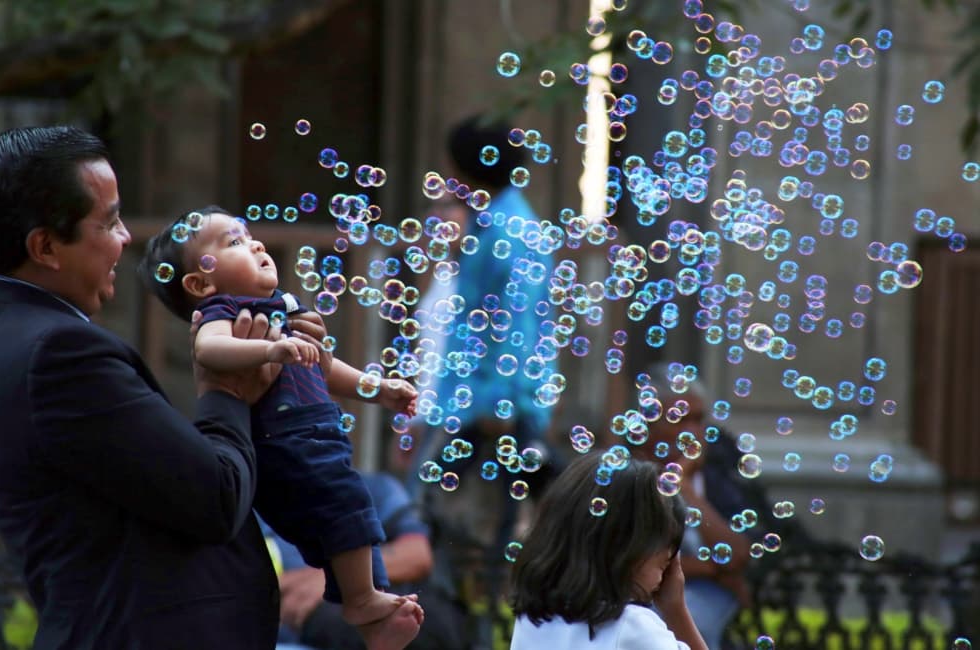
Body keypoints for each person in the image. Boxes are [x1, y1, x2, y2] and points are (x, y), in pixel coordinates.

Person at [0, 125, 322, 648]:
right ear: (45, 246)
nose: (125, 238)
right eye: (110, 220)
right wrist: (226, 388)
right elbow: (215, 498)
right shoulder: (58, 353)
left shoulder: (4, 330)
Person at [139, 207, 424, 650]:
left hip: (317, 440)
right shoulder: (222, 310)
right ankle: (363, 602)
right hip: (283, 443)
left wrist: (376, 388)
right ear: (201, 283)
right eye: (233, 242)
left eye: (250, 236)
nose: (254, 245)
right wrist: (269, 352)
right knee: (345, 507)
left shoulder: (287, 310)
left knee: (353, 521)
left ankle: (372, 615)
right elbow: (211, 350)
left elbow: (327, 368)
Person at [405, 114, 559, 553]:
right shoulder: (494, 223)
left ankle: (446, 616)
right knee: (435, 516)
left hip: (490, 405)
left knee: (438, 516)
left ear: (466, 169)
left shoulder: (508, 232)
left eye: (451, 166)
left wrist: (503, 403)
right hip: (469, 396)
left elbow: (517, 324)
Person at [629, 363, 791, 650]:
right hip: (640, 594)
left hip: (703, 593)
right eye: (682, 420)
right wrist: (711, 568)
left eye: (699, 420)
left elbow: (737, 554)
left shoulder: (718, 477)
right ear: (648, 425)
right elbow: (631, 563)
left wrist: (684, 487)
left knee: (693, 619)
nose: (694, 432)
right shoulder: (626, 479)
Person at [509, 451, 707, 650]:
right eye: (664, 561)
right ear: (625, 546)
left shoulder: (531, 619)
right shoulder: (634, 626)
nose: (671, 561)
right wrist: (676, 609)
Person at [267, 471, 469, 650]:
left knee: (426, 618)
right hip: (292, 621)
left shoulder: (373, 488)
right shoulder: (250, 499)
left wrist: (333, 578)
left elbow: (417, 555)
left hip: (348, 605)